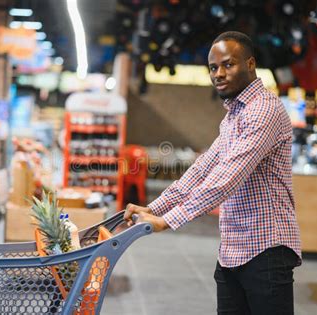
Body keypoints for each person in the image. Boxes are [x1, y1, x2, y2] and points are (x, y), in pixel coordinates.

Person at [124, 31, 302, 315]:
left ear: (250, 64)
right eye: (213, 67)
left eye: (228, 64)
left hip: (266, 250)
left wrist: (167, 220)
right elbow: (204, 168)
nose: (218, 73)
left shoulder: (263, 110)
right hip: (233, 249)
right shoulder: (234, 115)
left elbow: (226, 179)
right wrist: (154, 207)